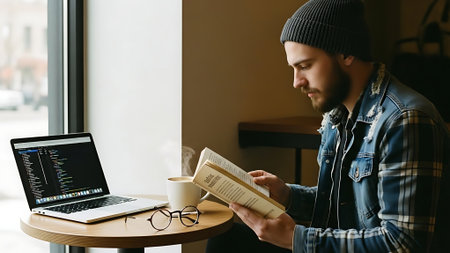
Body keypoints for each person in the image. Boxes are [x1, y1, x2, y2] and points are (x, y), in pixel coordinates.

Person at [206, 0, 450, 252]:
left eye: (305, 66)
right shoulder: (337, 115)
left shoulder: (405, 120)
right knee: (227, 240)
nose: (296, 82)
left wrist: (295, 238)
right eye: (294, 68)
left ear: (345, 53)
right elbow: (343, 207)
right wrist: (288, 195)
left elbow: (404, 244)